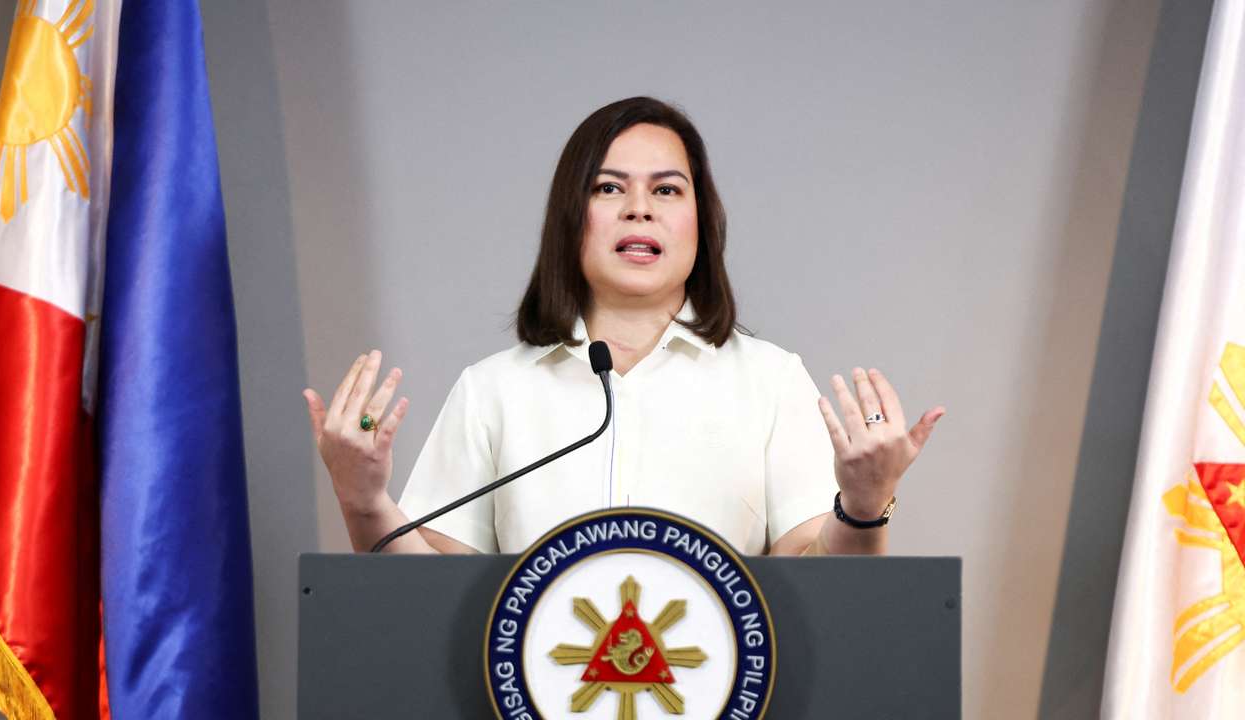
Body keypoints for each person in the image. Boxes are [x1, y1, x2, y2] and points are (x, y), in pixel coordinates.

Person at [302, 97, 945, 557]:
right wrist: (364, 501)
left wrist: (863, 504)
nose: (639, 207)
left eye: (667, 190)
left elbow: (817, 589)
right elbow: (439, 599)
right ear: (570, 217)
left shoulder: (771, 381)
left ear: (703, 220)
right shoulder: (493, 390)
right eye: (609, 189)